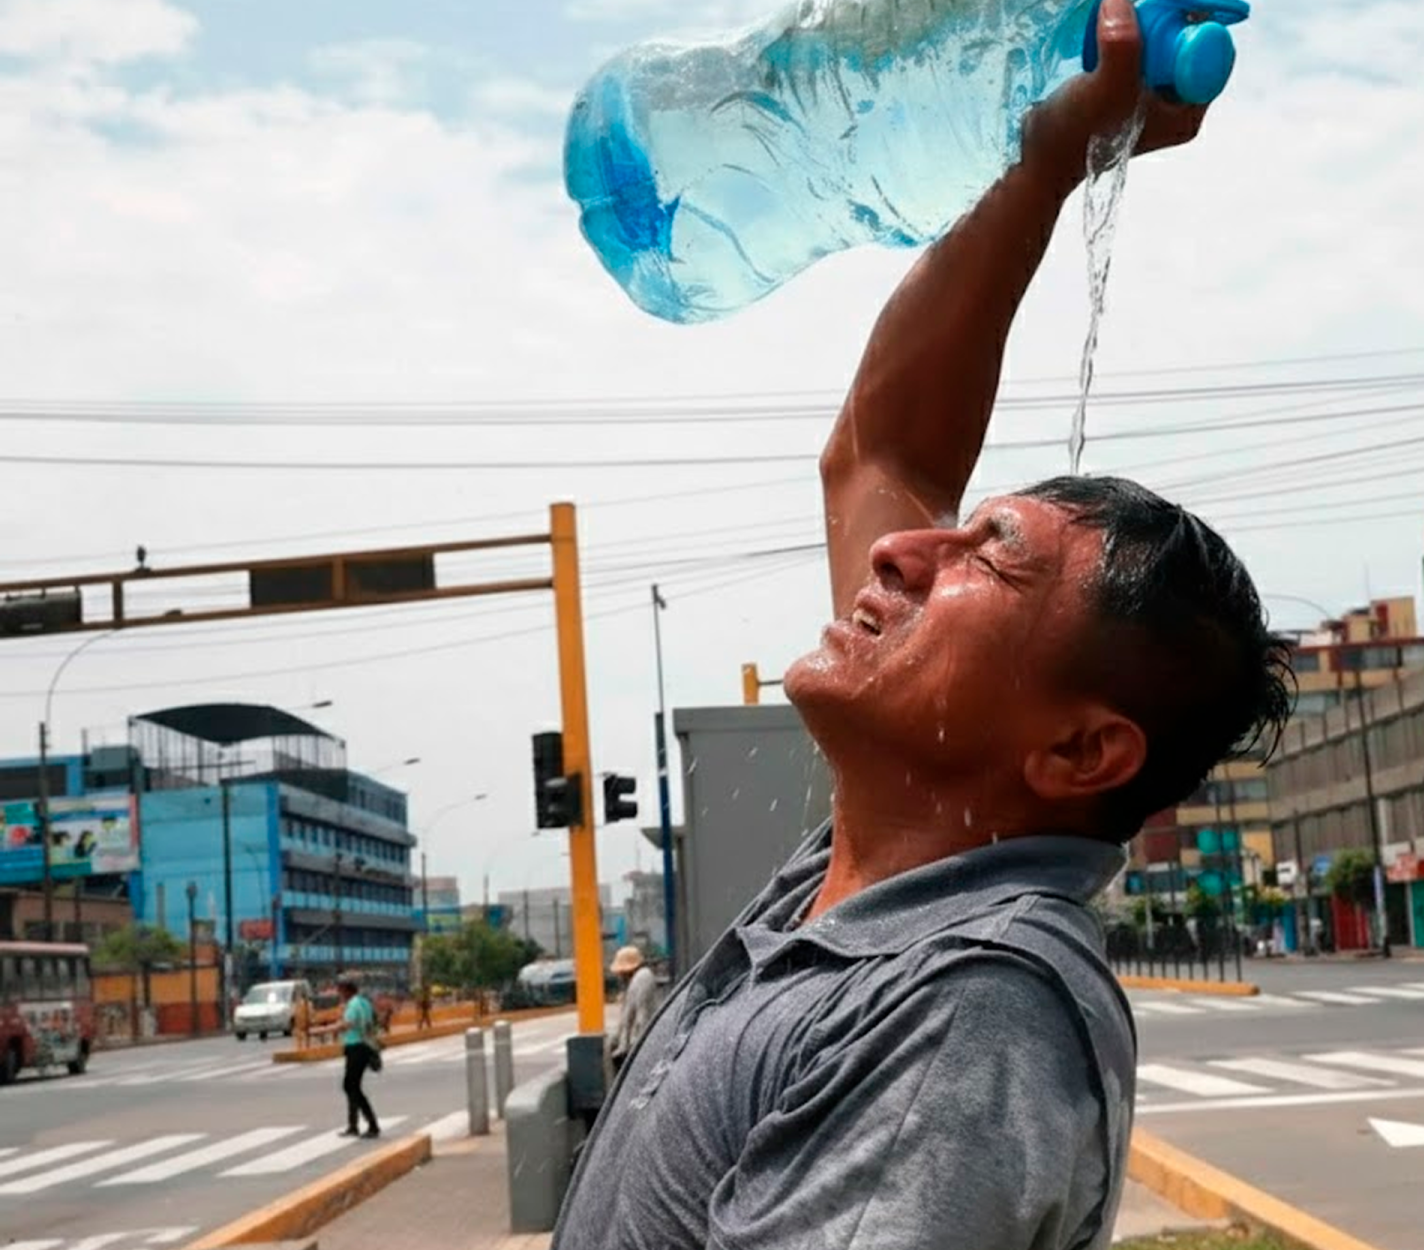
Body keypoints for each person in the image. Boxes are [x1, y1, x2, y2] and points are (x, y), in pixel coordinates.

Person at [550, 2, 1288, 1246]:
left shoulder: (965, 1008)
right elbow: (886, 446)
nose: (902, 549)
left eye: (983, 561)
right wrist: (1048, 161)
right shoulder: (867, 893)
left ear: (1078, 751)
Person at [333, 978, 381, 1139]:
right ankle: (353, 1125)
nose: (339, 995)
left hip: (356, 1047)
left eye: (340, 991)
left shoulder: (353, 1005)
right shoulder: (364, 1003)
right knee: (351, 1087)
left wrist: (324, 1029)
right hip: (365, 1046)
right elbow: (372, 1023)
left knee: (351, 1086)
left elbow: (347, 1024)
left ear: (347, 991)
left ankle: (372, 1125)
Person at [605, 946, 662, 1073]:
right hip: (637, 1048)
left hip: (642, 1049)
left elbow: (643, 1016)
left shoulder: (642, 979)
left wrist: (634, 1048)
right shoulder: (634, 982)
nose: (619, 975)